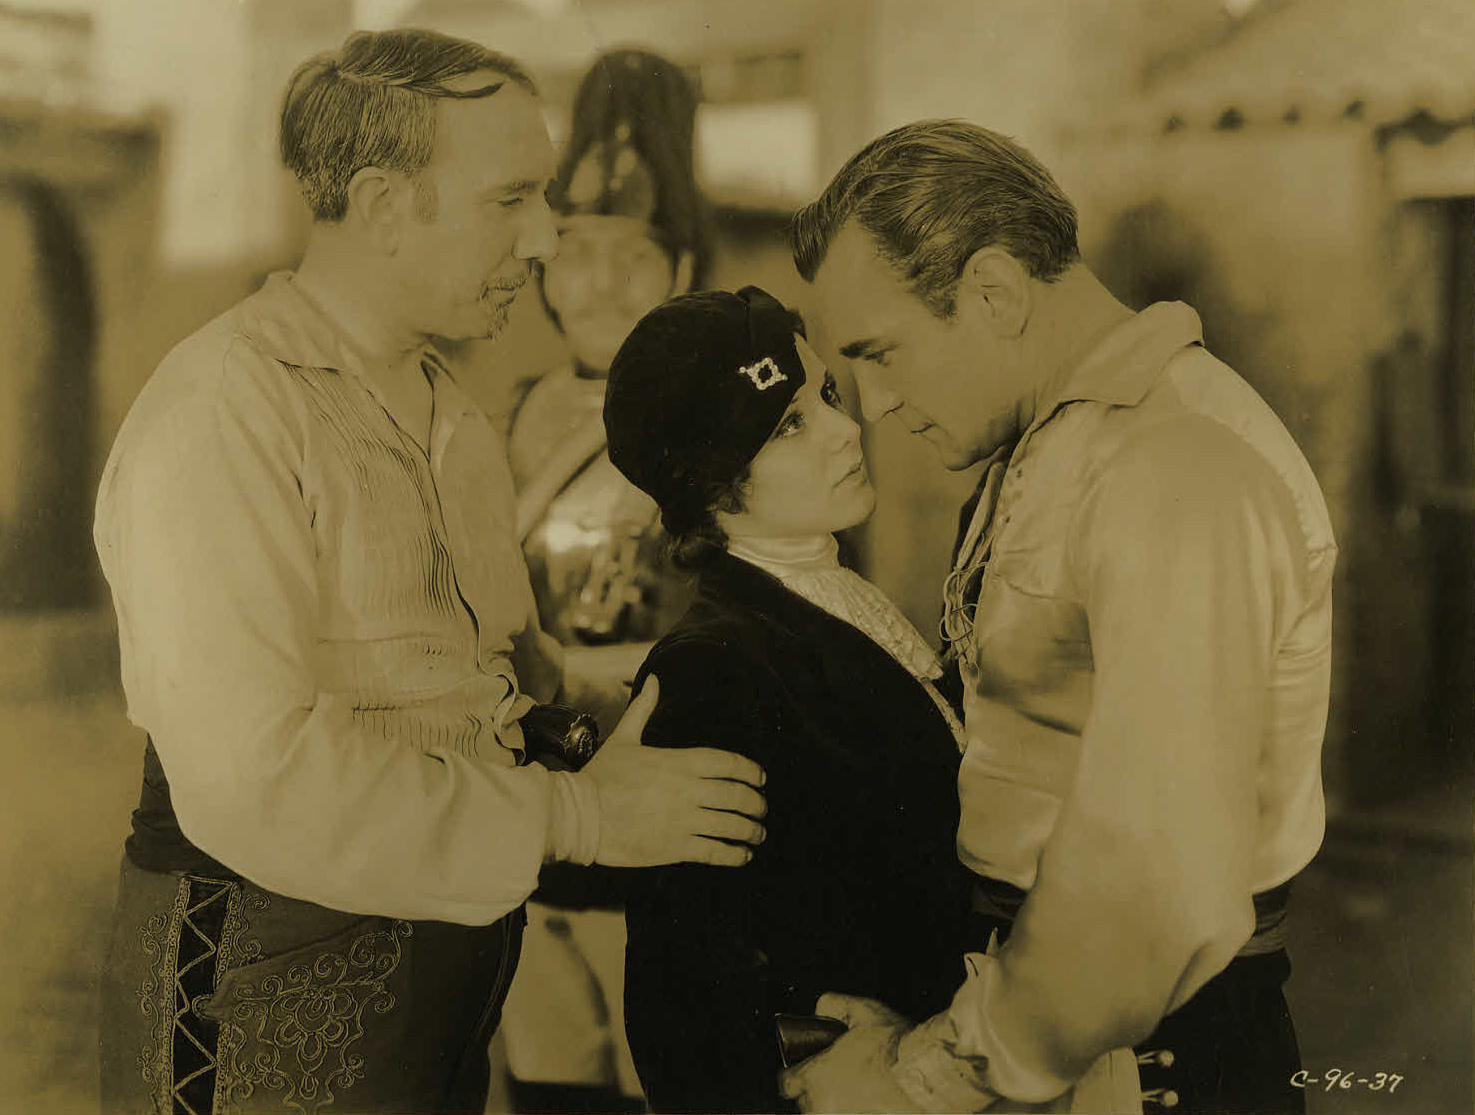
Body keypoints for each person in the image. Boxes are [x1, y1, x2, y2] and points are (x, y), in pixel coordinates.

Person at [92, 30, 765, 1115]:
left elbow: (497, 681)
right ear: (384, 204)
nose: (542, 239)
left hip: (431, 1012)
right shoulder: (225, 411)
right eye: (512, 199)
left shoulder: (446, 408)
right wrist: (583, 819)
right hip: (261, 1008)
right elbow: (255, 778)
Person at [779, 120, 1337, 1115]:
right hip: (1055, 1019)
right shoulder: (1056, 444)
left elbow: (1153, 883)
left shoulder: (1170, 464)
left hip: (1146, 1049)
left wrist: (926, 1078)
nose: (870, 402)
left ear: (992, 291)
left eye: (880, 352)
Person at [601, 286, 976, 1113]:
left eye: (827, 396)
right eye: (788, 425)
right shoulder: (713, 668)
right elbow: (684, 995)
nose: (846, 428)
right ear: (712, 481)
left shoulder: (828, 596)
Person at [498, 48, 710, 1114]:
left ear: (682, 266)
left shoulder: (729, 420)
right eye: (575, 250)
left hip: (671, 797)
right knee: (549, 1079)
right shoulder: (513, 413)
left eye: (634, 254)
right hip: (537, 804)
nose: (599, 281)